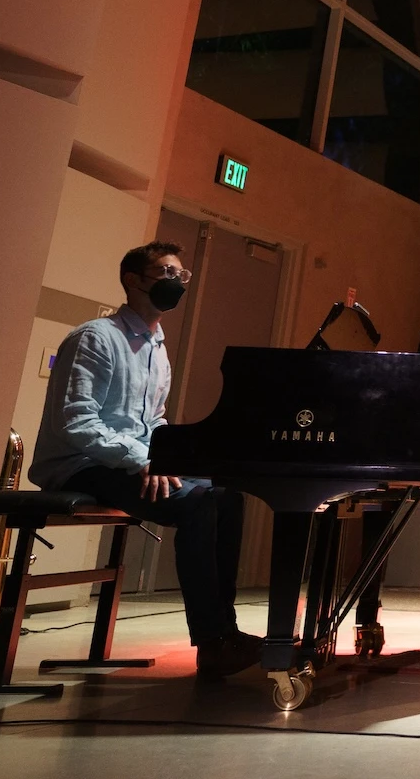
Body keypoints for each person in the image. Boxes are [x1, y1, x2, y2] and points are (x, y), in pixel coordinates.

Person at [29, 241, 257, 677]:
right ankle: (211, 640)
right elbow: (76, 422)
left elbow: (152, 420)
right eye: (167, 274)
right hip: (80, 465)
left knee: (227, 495)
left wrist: (164, 457)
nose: (176, 284)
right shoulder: (95, 337)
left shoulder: (157, 348)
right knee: (198, 503)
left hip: (125, 461)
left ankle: (224, 630)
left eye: (180, 276)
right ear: (134, 281)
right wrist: (140, 460)